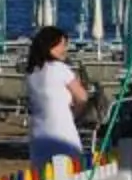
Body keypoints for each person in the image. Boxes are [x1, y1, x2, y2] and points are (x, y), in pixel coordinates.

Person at [25, 25, 91, 172]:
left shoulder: (31, 72)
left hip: (39, 133)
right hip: (62, 132)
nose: (65, 49)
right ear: (49, 46)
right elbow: (82, 97)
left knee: (43, 179)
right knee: (71, 175)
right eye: (62, 45)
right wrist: (75, 114)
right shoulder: (59, 68)